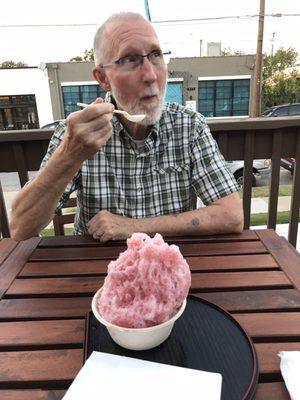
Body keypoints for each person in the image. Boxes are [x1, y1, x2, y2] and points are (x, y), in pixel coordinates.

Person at [10, 12, 243, 242]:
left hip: (165, 267)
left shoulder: (189, 126)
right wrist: (69, 154)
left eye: (155, 55)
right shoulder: (79, 134)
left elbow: (231, 215)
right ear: (103, 78)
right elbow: (20, 228)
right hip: (99, 271)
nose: (151, 75)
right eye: (130, 60)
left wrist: (133, 227)